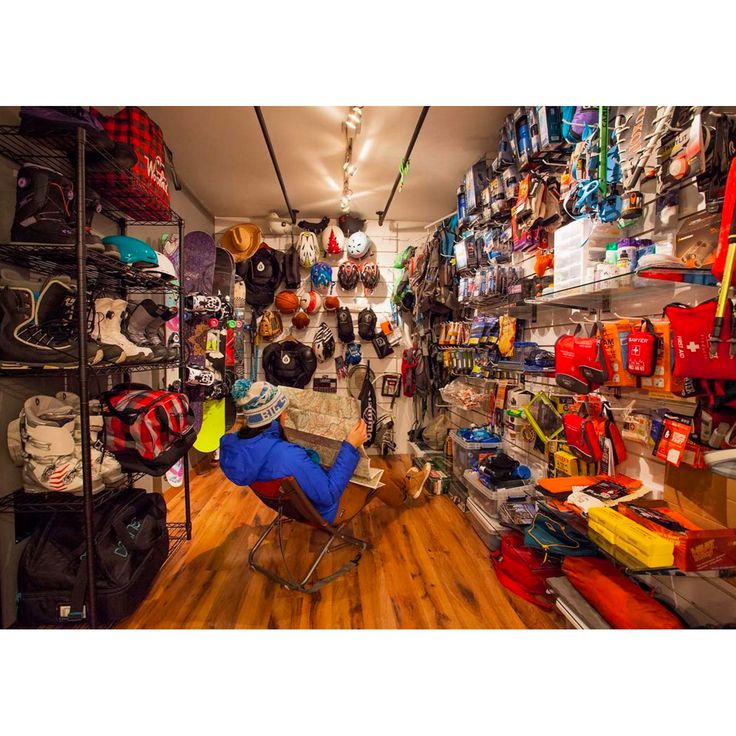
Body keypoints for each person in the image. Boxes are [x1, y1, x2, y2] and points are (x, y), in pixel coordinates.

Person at [219, 379, 431, 525]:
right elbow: (329, 495)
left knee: (366, 470)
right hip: (323, 512)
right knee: (378, 477)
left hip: (293, 506)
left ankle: (408, 482)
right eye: (283, 411)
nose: (286, 416)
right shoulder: (286, 455)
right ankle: (406, 495)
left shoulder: (237, 447)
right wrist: (350, 445)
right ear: (272, 416)